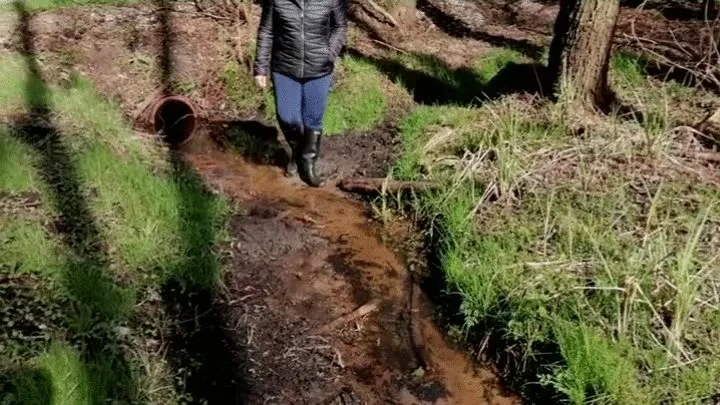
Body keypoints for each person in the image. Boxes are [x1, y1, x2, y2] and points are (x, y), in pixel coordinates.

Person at [253, 0, 348, 187]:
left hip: (319, 70)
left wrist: (328, 54)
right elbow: (266, 31)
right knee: (287, 117)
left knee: (313, 118)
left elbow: (340, 26)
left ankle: (308, 163)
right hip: (285, 68)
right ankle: (297, 155)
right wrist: (260, 68)